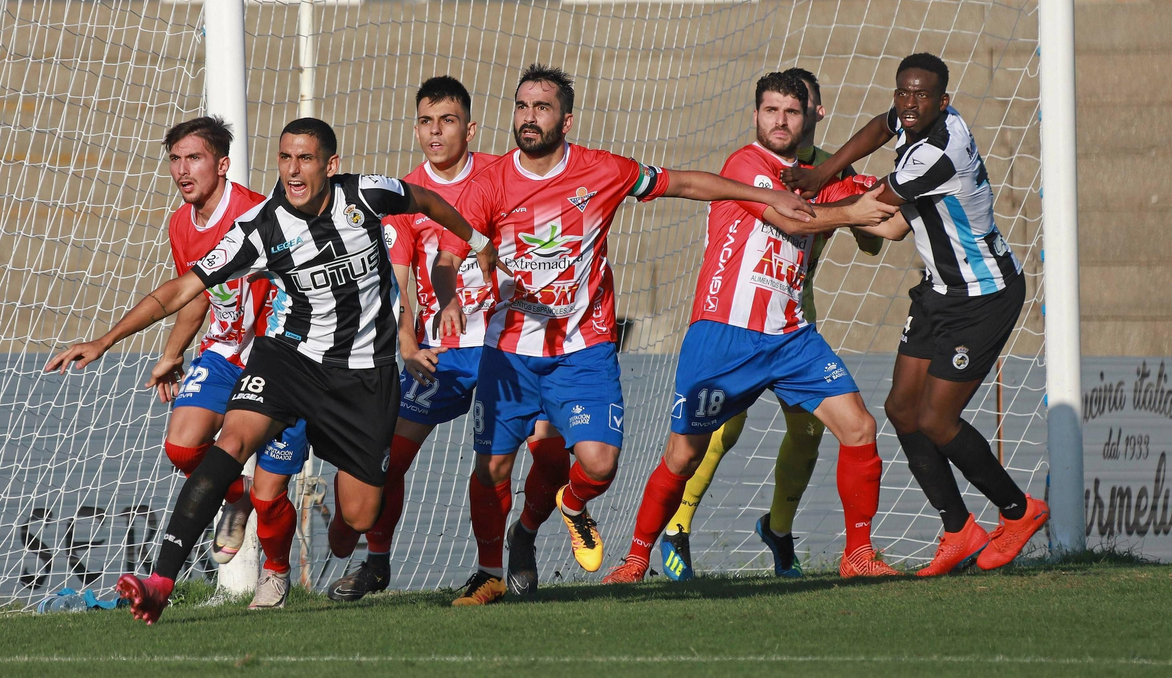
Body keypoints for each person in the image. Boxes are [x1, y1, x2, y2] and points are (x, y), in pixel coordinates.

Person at [45, 117, 498, 625]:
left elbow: (427, 201)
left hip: (365, 375)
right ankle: (160, 582)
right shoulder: (261, 228)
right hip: (290, 358)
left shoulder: (368, 194)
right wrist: (105, 339)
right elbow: (182, 289)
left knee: (358, 515)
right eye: (284, 158)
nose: (293, 170)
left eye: (305, 159)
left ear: (331, 165)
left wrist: (477, 239)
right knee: (231, 442)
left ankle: (353, 538)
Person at [437, 64, 817, 600]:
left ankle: (566, 510)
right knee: (492, 467)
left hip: (584, 349)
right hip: (510, 350)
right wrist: (450, 297)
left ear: (565, 120)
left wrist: (766, 198)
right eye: (522, 106)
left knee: (599, 463)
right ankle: (492, 570)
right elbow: (449, 256)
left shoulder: (603, 170)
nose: (528, 117)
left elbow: (683, 183)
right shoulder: (490, 182)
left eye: (541, 107)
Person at [604, 70, 903, 584]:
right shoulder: (747, 165)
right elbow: (792, 220)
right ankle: (634, 561)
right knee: (685, 453)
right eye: (771, 110)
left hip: (790, 335)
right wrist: (854, 209)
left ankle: (857, 554)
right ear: (756, 115)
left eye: (790, 111)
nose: (780, 120)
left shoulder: (828, 177)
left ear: (809, 114)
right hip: (724, 334)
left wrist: (915, 182)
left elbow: (893, 226)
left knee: (859, 428)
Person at [782, 52, 1047, 576]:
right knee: (903, 410)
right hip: (937, 291)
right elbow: (881, 127)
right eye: (903, 92)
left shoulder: (939, 155)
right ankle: (958, 531)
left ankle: (1018, 512)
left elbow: (875, 212)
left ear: (942, 102)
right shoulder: (912, 118)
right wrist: (823, 173)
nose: (907, 103)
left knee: (935, 418)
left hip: (982, 296)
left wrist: (806, 212)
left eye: (920, 96)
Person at [324, 77, 569, 607]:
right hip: (447, 352)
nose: (435, 132)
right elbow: (399, 280)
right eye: (426, 122)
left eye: (448, 120)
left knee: (548, 458)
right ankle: (378, 561)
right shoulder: (403, 193)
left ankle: (518, 542)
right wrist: (407, 343)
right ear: (416, 128)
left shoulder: (501, 177)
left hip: (515, 346)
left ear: (470, 127)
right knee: (389, 456)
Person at [151, 116, 309, 598]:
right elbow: (195, 294)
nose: (182, 169)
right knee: (181, 446)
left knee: (272, 494)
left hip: (278, 360)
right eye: (175, 159)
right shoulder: (181, 223)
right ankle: (231, 494)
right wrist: (172, 352)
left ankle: (276, 572)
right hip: (222, 353)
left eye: (193, 158)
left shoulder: (259, 215)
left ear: (221, 165)